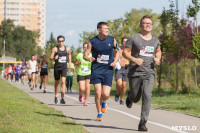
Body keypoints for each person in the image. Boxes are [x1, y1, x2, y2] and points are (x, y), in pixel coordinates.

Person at [123, 15, 161, 131]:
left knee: (147, 95)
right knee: (136, 98)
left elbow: (158, 51)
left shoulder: (155, 40)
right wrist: (134, 60)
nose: (148, 25)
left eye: (150, 23)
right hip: (135, 71)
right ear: (141, 25)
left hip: (149, 72)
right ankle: (130, 96)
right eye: (145, 23)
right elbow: (125, 52)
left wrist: (158, 59)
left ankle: (142, 123)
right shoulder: (134, 38)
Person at [83, 22, 119, 121]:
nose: (107, 30)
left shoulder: (112, 40)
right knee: (98, 93)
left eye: (108, 28)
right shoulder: (92, 41)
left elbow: (118, 51)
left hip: (108, 70)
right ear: (99, 30)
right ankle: (99, 113)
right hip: (96, 70)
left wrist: (115, 61)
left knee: (106, 94)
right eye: (105, 28)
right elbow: (85, 54)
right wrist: (88, 58)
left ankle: (104, 101)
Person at [50, 35, 71, 104]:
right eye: (59, 41)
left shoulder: (67, 49)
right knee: (57, 82)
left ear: (64, 41)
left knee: (63, 81)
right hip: (57, 67)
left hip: (64, 67)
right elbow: (50, 57)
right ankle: (56, 95)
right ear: (57, 41)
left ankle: (62, 98)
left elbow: (69, 54)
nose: (61, 42)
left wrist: (70, 63)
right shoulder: (55, 49)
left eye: (62, 41)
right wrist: (54, 57)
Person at [114, 37, 129, 105]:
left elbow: (133, 58)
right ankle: (117, 93)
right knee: (119, 83)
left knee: (124, 85)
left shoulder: (130, 50)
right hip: (119, 68)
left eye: (126, 41)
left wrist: (129, 63)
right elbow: (114, 56)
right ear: (122, 42)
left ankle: (122, 99)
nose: (125, 42)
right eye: (124, 41)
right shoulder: (118, 49)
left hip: (126, 69)